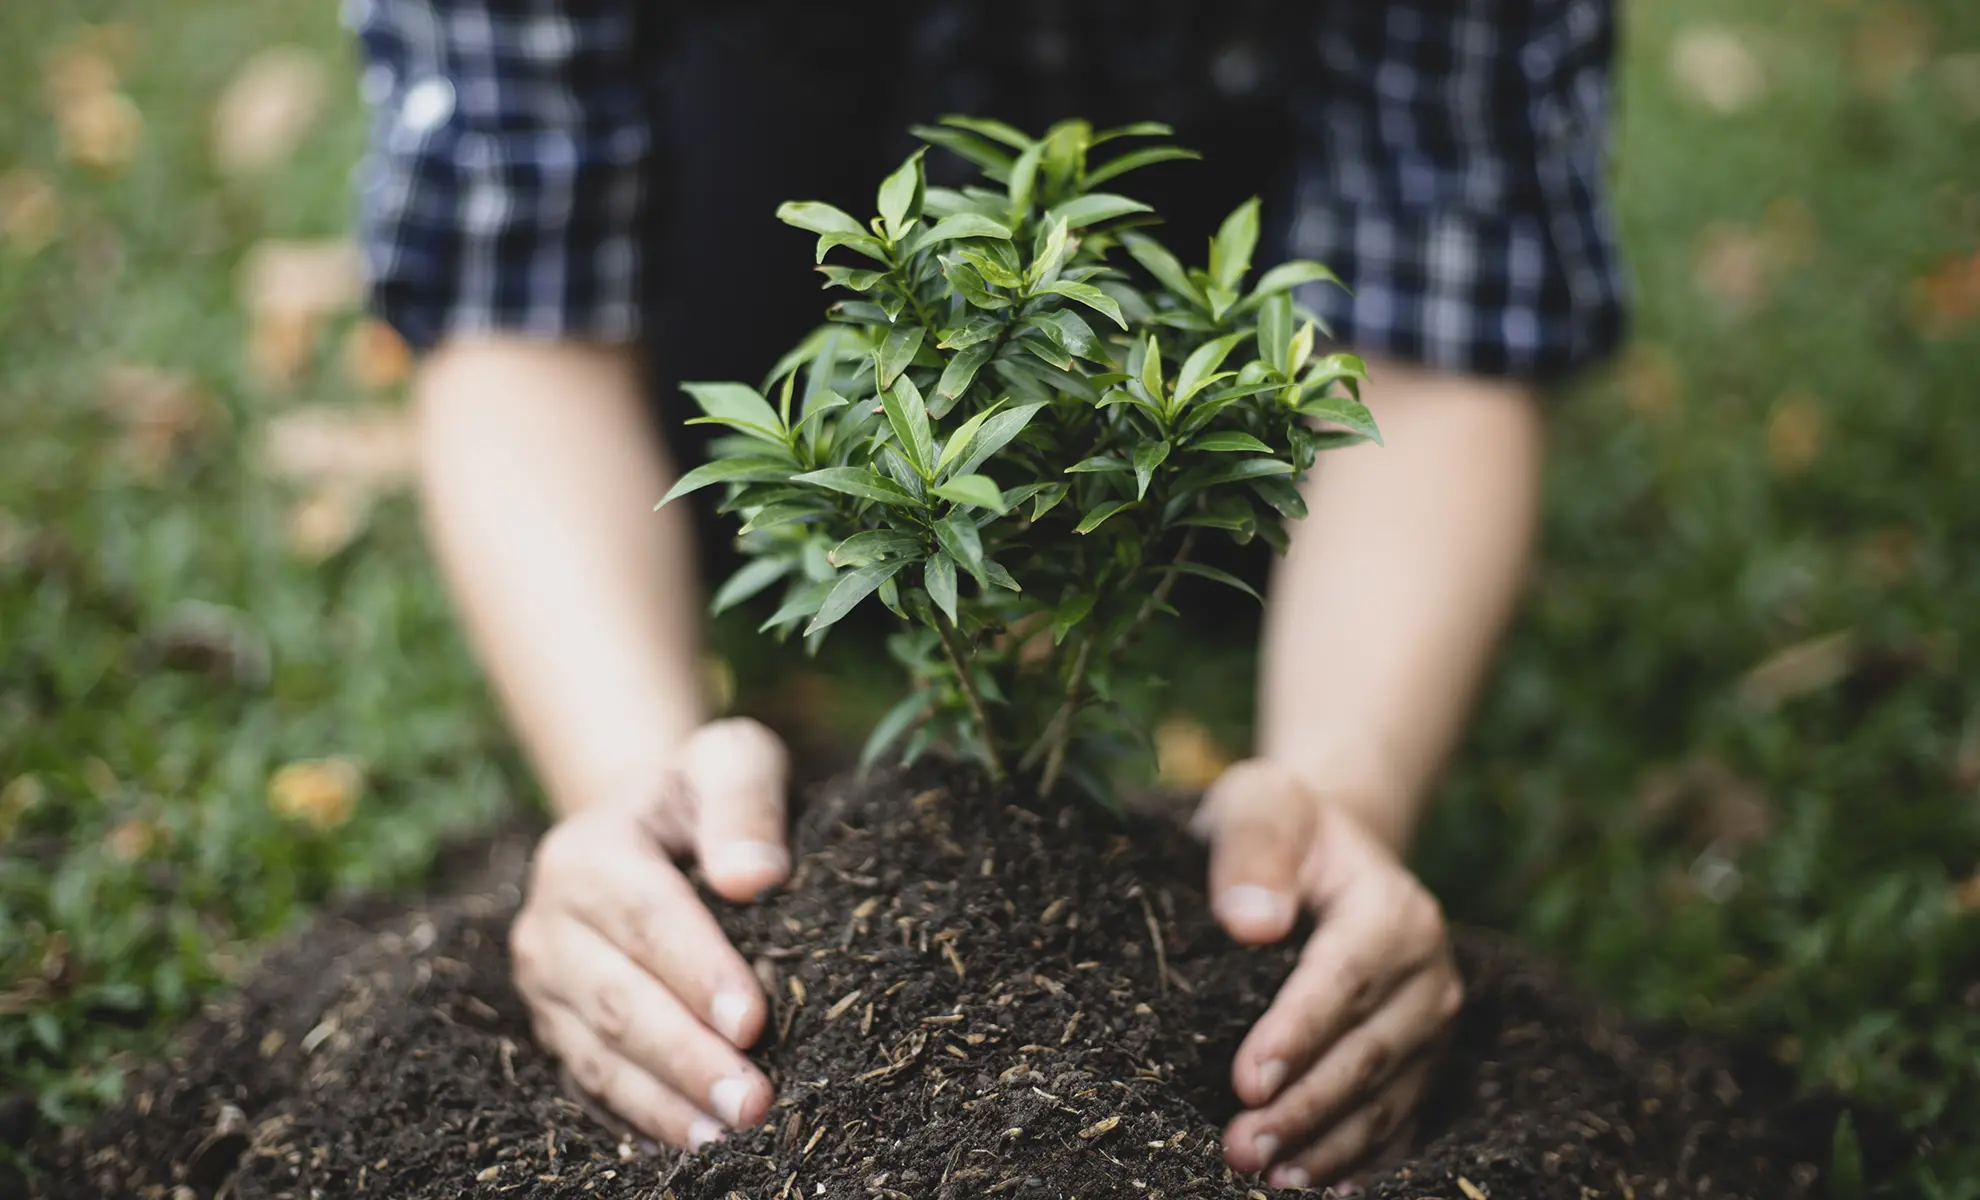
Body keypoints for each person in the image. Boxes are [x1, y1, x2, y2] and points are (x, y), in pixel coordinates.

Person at [349, 0, 1625, 1190]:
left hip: (1192, 396)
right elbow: (514, 293)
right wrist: (631, 775)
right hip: (771, 304)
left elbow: (1443, 311)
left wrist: (1346, 791)